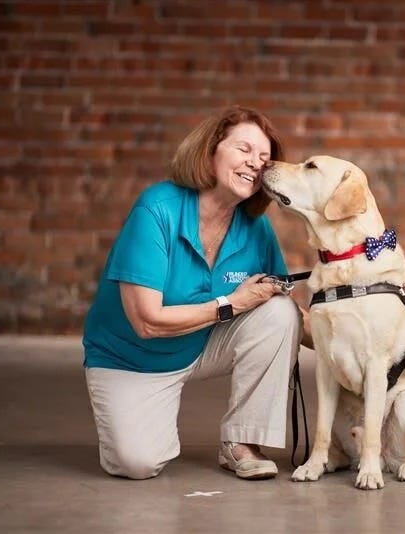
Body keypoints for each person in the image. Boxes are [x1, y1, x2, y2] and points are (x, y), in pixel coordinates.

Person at [82, 106, 308, 481]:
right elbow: (146, 322)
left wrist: (374, 326)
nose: (256, 163)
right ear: (211, 149)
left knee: (280, 312)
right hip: (130, 357)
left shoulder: (256, 227)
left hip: (201, 344)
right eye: (244, 150)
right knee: (137, 464)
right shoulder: (157, 208)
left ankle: (242, 443)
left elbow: (289, 317)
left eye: (265, 158)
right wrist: (231, 304)